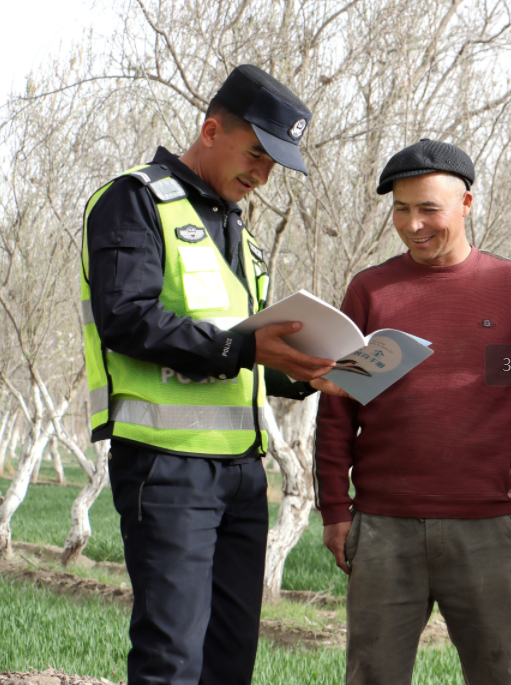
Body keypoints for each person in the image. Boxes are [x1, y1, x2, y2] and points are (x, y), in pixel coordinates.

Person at [80, 64, 348, 685]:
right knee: (171, 659)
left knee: (230, 659)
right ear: (209, 129)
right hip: (165, 467)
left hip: (241, 475)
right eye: (255, 154)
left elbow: (245, 355)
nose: (261, 175)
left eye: (273, 164)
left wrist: (308, 372)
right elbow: (128, 319)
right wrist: (250, 350)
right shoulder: (133, 200)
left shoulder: (239, 233)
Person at [314, 138, 511, 685]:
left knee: (500, 676)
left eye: (428, 209)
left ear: (466, 204)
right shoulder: (371, 292)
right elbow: (340, 409)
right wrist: (335, 509)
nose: (414, 224)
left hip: (484, 529)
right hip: (383, 528)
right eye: (401, 209)